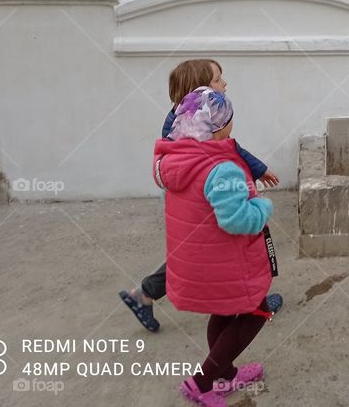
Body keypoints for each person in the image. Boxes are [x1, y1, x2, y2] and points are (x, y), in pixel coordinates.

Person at [119, 59, 281, 332]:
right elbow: (218, 157)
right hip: (203, 204)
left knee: (199, 255)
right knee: (221, 254)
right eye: (218, 79)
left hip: (197, 204)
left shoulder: (191, 120)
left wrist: (258, 169)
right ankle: (255, 306)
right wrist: (255, 202)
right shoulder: (195, 125)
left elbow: (232, 148)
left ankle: (144, 294)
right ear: (200, 89)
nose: (224, 84)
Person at [154, 87, 278, 406]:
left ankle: (225, 375)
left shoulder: (176, 159)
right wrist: (262, 208)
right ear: (220, 126)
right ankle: (202, 382)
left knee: (223, 313)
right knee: (257, 310)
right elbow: (236, 219)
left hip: (200, 263)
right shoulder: (222, 167)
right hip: (227, 262)